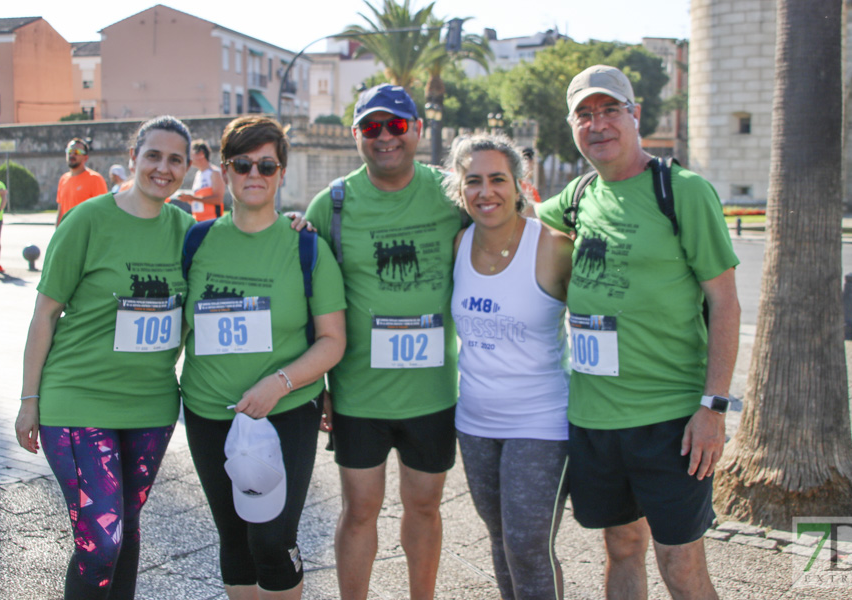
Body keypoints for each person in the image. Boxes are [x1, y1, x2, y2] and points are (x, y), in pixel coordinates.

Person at [535, 65, 740, 599]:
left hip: (671, 421)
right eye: (584, 114)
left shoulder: (683, 192)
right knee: (622, 548)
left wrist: (713, 407)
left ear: (636, 115)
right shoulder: (577, 197)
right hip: (595, 419)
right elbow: (501, 213)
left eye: (610, 110)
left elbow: (725, 302)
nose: (597, 124)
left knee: (682, 564)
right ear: (572, 125)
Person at [15, 116, 196, 598]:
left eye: (175, 159)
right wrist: (29, 399)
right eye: (153, 155)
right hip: (78, 402)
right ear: (132, 156)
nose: (163, 167)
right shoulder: (88, 220)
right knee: (101, 541)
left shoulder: (188, 231)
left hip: (151, 408)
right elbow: (44, 315)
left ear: (188, 167)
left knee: (127, 530)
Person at [304, 83, 463, 600]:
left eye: (396, 125)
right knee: (359, 510)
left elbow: (506, 228)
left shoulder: (450, 192)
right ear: (356, 136)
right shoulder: (333, 203)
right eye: (372, 127)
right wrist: (317, 384)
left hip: (431, 393)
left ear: (417, 130)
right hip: (359, 394)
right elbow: (312, 299)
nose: (385, 136)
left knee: (424, 507)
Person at [180, 115, 346, 599]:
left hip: (287, 410)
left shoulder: (306, 246)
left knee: (271, 538)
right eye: (242, 164)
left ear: (282, 172)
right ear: (225, 171)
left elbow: (332, 340)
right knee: (233, 534)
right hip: (209, 411)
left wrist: (280, 383)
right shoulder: (195, 240)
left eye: (267, 165)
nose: (255, 174)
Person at [444, 133, 573, 600]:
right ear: (460, 190)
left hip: (540, 422)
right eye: (473, 181)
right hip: (475, 423)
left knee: (528, 545)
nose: (486, 192)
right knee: (499, 542)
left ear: (519, 185)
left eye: (498, 179)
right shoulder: (459, 244)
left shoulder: (554, 246)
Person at [55, 138, 108, 226]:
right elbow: (60, 211)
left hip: (86, 235)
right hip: (67, 234)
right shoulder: (63, 179)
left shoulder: (95, 179)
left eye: (77, 152)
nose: (72, 155)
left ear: (85, 157)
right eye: (69, 151)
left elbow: (102, 211)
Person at [174, 140, 227, 221]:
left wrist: (193, 198)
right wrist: (188, 199)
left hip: (212, 221)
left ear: (201, 154)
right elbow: (198, 200)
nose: (188, 158)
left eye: (190, 154)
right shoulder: (198, 174)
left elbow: (218, 199)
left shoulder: (215, 173)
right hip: (198, 220)